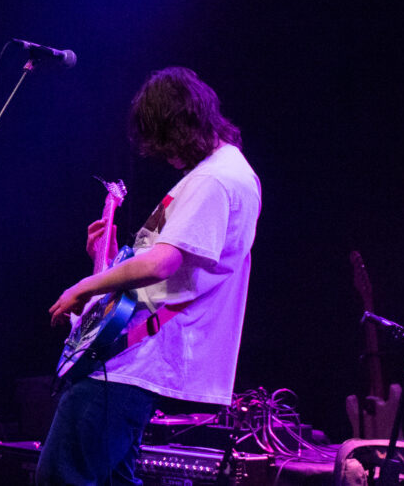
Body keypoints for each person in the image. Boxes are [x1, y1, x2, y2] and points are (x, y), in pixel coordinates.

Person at [37, 66, 261, 485]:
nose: (163, 153)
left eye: (163, 140)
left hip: (134, 360)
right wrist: (102, 262)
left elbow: (162, 264)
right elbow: (157, 275)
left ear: (181, 124)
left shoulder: (214, 179)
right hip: (135, 355)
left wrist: (83, 286)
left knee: (61, 477)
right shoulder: (218, 173)